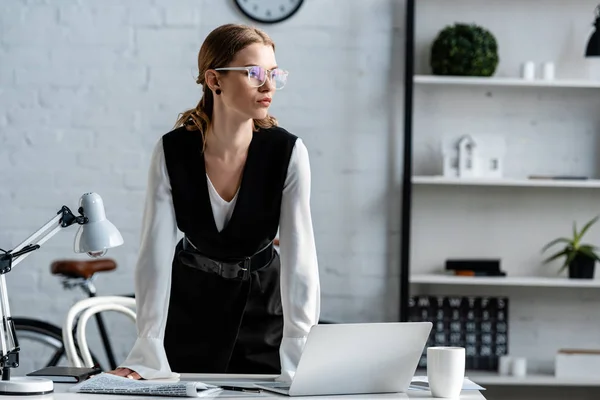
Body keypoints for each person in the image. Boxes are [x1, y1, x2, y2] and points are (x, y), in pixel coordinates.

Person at [109, 23, 320, 382]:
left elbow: (301, 259)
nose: (268, 85)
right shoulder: (172, 151)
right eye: (254, 73)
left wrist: (300, 348)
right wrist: (148, 349)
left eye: (273, 74)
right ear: (214, 80)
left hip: (265, 307)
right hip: (190, 304)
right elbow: (154, 254)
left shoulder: (288, 152)